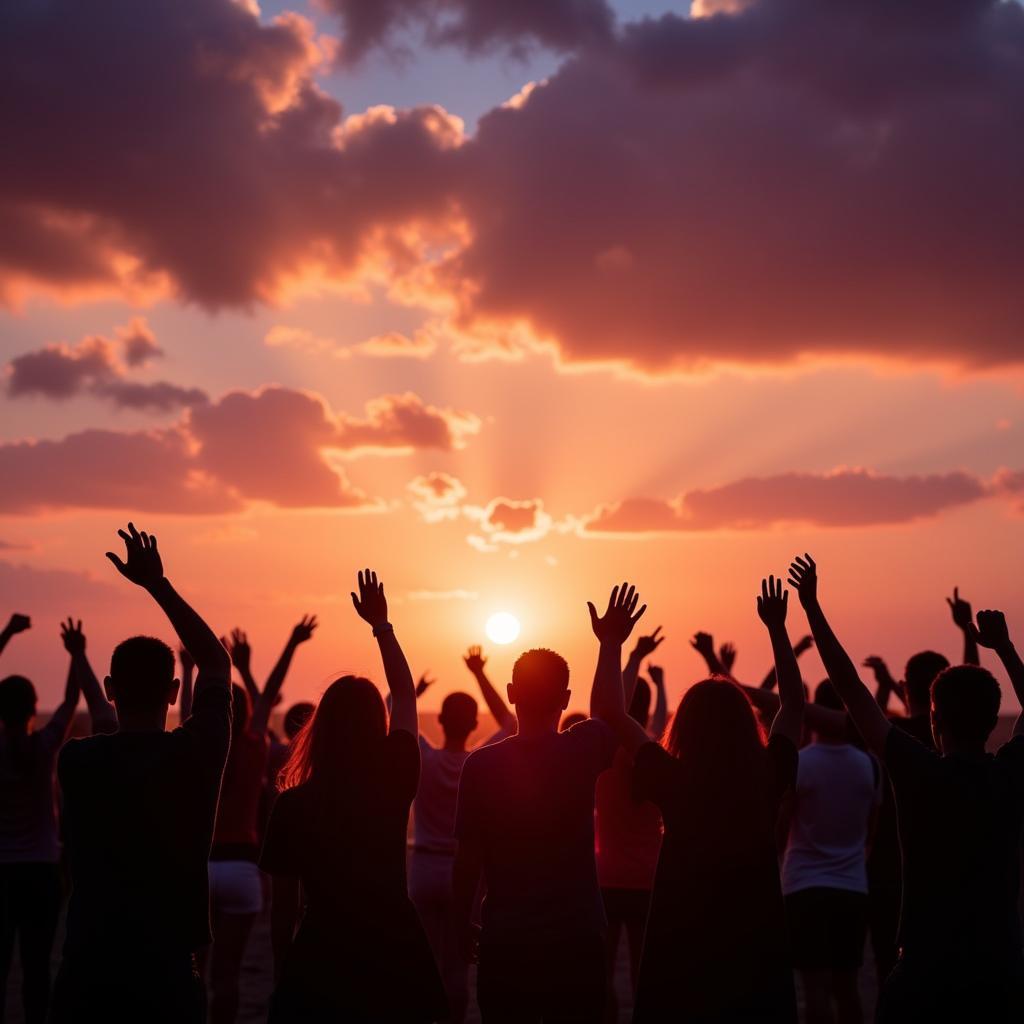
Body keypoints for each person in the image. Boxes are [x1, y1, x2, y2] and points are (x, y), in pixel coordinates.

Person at [787, 555, 1024, 1022]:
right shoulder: (1010, 774)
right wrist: (1005, 648)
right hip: (1000, 973)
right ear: (993, 721)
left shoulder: (919, 772)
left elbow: (852, 690)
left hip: (924, 974)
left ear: (933, 720)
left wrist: (811, 607)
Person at [591, 579, 802, 1022]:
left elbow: (609, 714)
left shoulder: (671, 778)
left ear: (684, 725)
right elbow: (793, 706)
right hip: (755, 943)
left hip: (681, 943)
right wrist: (778, 631)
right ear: (746, 724)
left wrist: (611, 643)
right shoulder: (766, 774)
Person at [52, 523, 232, 1024]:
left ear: (110, 689)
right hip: (167, 968)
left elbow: (113, 737)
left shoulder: (76, 760)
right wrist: (157, 585)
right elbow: (217, 663)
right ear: (174, 692)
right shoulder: (195, 754)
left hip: (89, 963)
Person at [261, 570, 446, 1023]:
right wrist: (381, 626)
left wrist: (284, 968)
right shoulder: (394, 775)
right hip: (393, 942)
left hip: (323, 950)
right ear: (375, 725)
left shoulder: (294, 803)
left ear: (322, 727)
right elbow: (404, 693)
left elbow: (282, 906)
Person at [453, 639, 619, 1023]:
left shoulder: (481, 766)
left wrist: (461, 924)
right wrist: (610, 644)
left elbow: (467, 860)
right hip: (577, 937)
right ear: (565, 698)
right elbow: (609, 714)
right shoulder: (583, 749)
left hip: (508, 939)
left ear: (512, 693)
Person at [198, 617, 317, 1024]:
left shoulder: (194, 746)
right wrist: (292, 641)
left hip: (200, 868)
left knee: (194, 973)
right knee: (227, 977)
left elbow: (189, 710)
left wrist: (190, 665)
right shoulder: (251, 744)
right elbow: (266, 694)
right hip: (242, 868)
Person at [407, 646, 516, 1023]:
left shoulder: (423, 759)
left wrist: (412, 694)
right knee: (457, 968)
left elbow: (395, 720)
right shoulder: (479, 763)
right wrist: (480, 674)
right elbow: (510, 723)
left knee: (423, 964)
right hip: (463, 874)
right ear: (474, 724)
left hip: (422, 868)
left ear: (438, 721)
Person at [781, 680, 881, 1024]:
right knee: (848, 988)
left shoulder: (802, 763)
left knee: (814, 992)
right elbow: (872, 827)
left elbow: (781, 825)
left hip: (804, 885)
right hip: (853, 886)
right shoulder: (868, 764)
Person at [0, 615, 79, 1024]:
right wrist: (76, 655)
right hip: (42, 873)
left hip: (3, 872)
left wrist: (7, 635)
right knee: (36, 969)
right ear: (34, 708)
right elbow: (68, 703)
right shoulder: (46, 747)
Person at [594, 628, 665, 1022]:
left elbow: (608, 715)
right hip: (647, 882)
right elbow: (641, 720)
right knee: (643, 975)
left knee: (602, 976)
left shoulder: (606, 757)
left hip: (606, 879)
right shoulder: (658, 759)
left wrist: (632, 657)